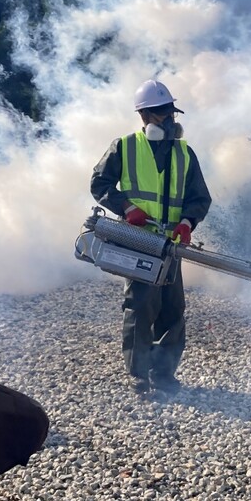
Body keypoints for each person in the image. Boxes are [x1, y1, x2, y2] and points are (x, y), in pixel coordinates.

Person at [90, 79, 212, 394]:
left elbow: (200, 198)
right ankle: (139, 373)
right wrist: (126, 207)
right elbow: (99, 184)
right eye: (161, 113)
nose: (169, 119)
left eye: (170, 111)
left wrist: (187, 222)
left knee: (173, 308)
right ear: (144, 117)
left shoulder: (184, 152)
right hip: (137, 240)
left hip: (171, 244)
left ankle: (165, 373)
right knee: (141, 304)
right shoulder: (125, 146)